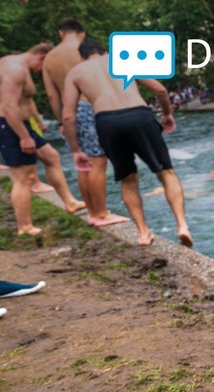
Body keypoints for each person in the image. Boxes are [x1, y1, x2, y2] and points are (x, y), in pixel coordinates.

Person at [62, 38, 192, 248]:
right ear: (104, 51)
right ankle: (182, 225)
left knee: (128, 179)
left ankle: (143, 232)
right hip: (140, 116)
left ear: (83, 56)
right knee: (166, 172)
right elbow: (160, 90)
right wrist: (167, 114)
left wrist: (76, 149)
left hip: (107, 121)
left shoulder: (76, 72)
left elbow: (68, 116)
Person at [43, 18, 128, 227]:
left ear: (60, 33)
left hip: (70, 112)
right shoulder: (86, 50)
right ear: (82, 33)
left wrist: (63, 121)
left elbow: (52, 96)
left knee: (83, 164)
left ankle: (93, 212)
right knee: (98, 163)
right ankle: (101, 214)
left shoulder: (49, 58)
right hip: (92, 107)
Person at [0, 43, 85, 236]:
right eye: (46, 66)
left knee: (51, 157)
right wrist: (24, 136)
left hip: (20, 124)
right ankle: (25, 227)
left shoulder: (17, 65)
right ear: (42, 56)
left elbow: (25, 100)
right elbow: (8, 106)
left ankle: (70, 202)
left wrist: (37, 120)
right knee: (23, 177)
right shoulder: (15, 70)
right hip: (9, 125)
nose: (44, 72)